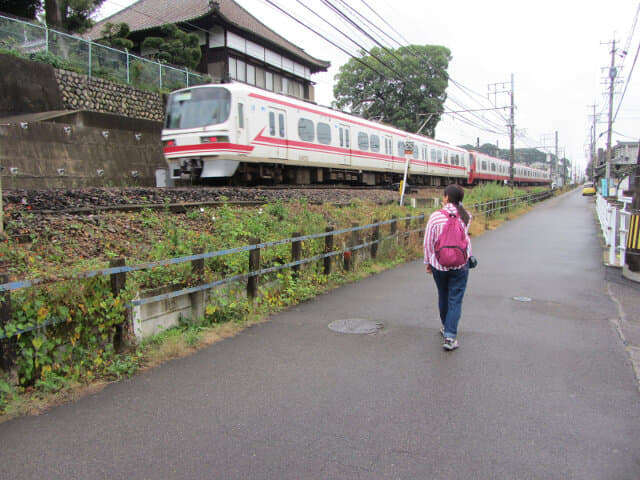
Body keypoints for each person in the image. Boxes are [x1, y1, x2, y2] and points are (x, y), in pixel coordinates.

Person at [423, 184, 472, 351]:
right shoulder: (466, 216)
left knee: (443, 295)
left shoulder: (435, 217)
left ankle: (446, 327)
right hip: (460, 264)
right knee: (455, 299)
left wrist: (428, 262)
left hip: (439, 264)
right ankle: (450, 337)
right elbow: (464, 240)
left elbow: (428, 242)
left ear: (445, 197)